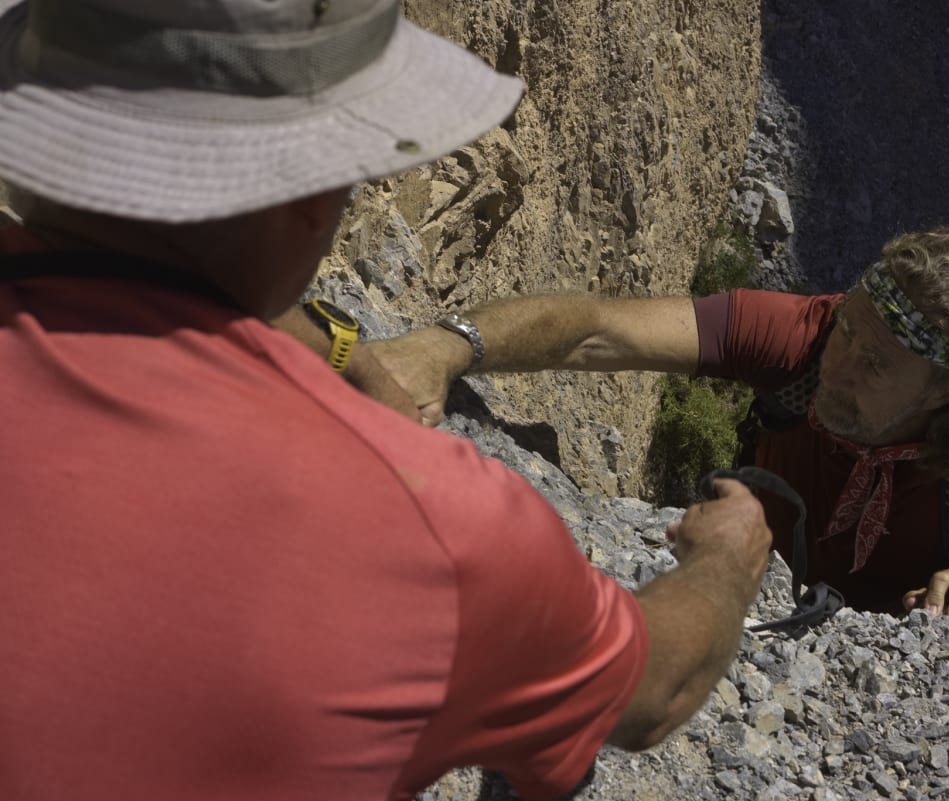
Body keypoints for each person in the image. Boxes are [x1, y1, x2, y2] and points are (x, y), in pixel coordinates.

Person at [0, 2, 774, 800]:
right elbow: (653, 690)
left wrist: (349, 354)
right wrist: (726, 556)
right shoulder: (442, 528)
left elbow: (152, 275)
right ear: (314, 197)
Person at [369, 228, 949, 631]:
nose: (838, 366)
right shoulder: (806, 334)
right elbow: (598, 328)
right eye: (849, 330)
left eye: (875, 365)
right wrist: (448, 345)